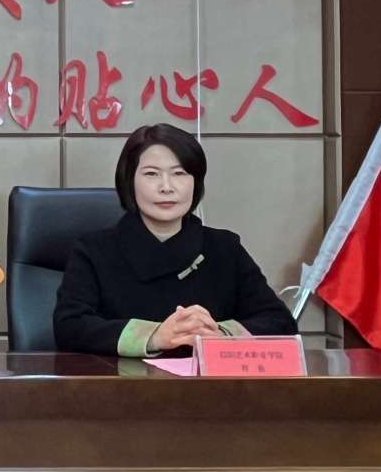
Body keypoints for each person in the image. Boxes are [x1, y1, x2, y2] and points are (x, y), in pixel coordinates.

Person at [53, 122, 295, 357]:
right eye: (151, 174)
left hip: (209, 383)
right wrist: (154, 336)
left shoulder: (225, 248)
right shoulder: (94, 250)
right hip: (122, 382)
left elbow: (280, 321)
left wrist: (219, 334)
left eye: (179, 173)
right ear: (129, 180)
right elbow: (69, 327)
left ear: (195, 182)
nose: (166, 187)